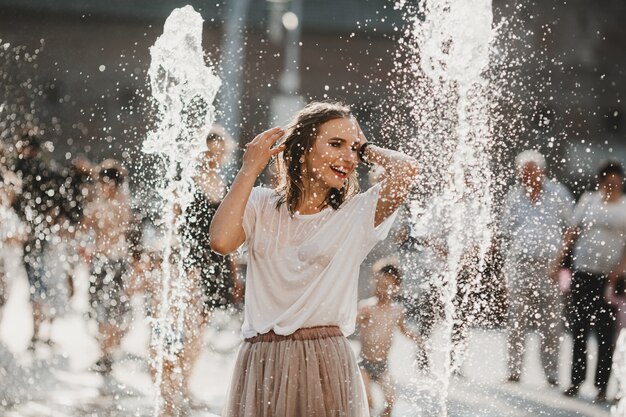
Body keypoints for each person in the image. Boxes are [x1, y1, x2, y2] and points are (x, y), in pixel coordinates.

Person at [210, 101, 419, 417]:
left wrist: (365, 148)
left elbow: (406, 171)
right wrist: (249, 168)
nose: (348, 157)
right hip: (261, 357)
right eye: (336, 144)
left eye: (353, 149)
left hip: (324, 358)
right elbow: (221, 241)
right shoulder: (260, 203)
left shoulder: (356, 214)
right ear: (303, 149)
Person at [552, 160, 626, 401]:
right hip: (583, 271)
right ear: (601, 181)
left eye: (616, 183)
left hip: (611, 276)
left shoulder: (624, 206)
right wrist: (558, 261)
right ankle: (575, 380)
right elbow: (572, 232)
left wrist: (618, 272)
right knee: (579, 328)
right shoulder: (588, 201)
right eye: (608, 182)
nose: (612, 187)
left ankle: (602, 386)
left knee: (606, 333)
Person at [500, 150, 574, 386]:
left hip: (549, 264)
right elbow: (505, 235)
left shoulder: (558, 193)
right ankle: (513, 371)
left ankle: (551, 373)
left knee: (551, 323)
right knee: (516, 321)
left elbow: (571, 228)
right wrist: (506, 271)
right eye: (523, 172)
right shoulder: (514, 196)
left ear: (541, 171)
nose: (527, 176)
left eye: (531, 171)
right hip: (520, 263)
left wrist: (560, 262)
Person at [81, 160, 133, 375]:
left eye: (103, 183)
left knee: (104, 308)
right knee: (112, 308)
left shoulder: (106, 205)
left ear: (111, 184)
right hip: (114, 261)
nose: (100, 187)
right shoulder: (124, 204)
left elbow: (84, 226)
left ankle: (106, 353)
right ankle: (109, 350)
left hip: (109, 261)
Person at [357, 258, 421, 417]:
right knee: (367, 402)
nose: (381, 289)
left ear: (396, 288)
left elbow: (403, 330)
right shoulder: (367, 307)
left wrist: (417, 339)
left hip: (382, 365)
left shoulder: (397, 311)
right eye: (378, 284)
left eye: (386, 286)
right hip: (363, 363)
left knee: (390, 402)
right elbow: (351, 322)